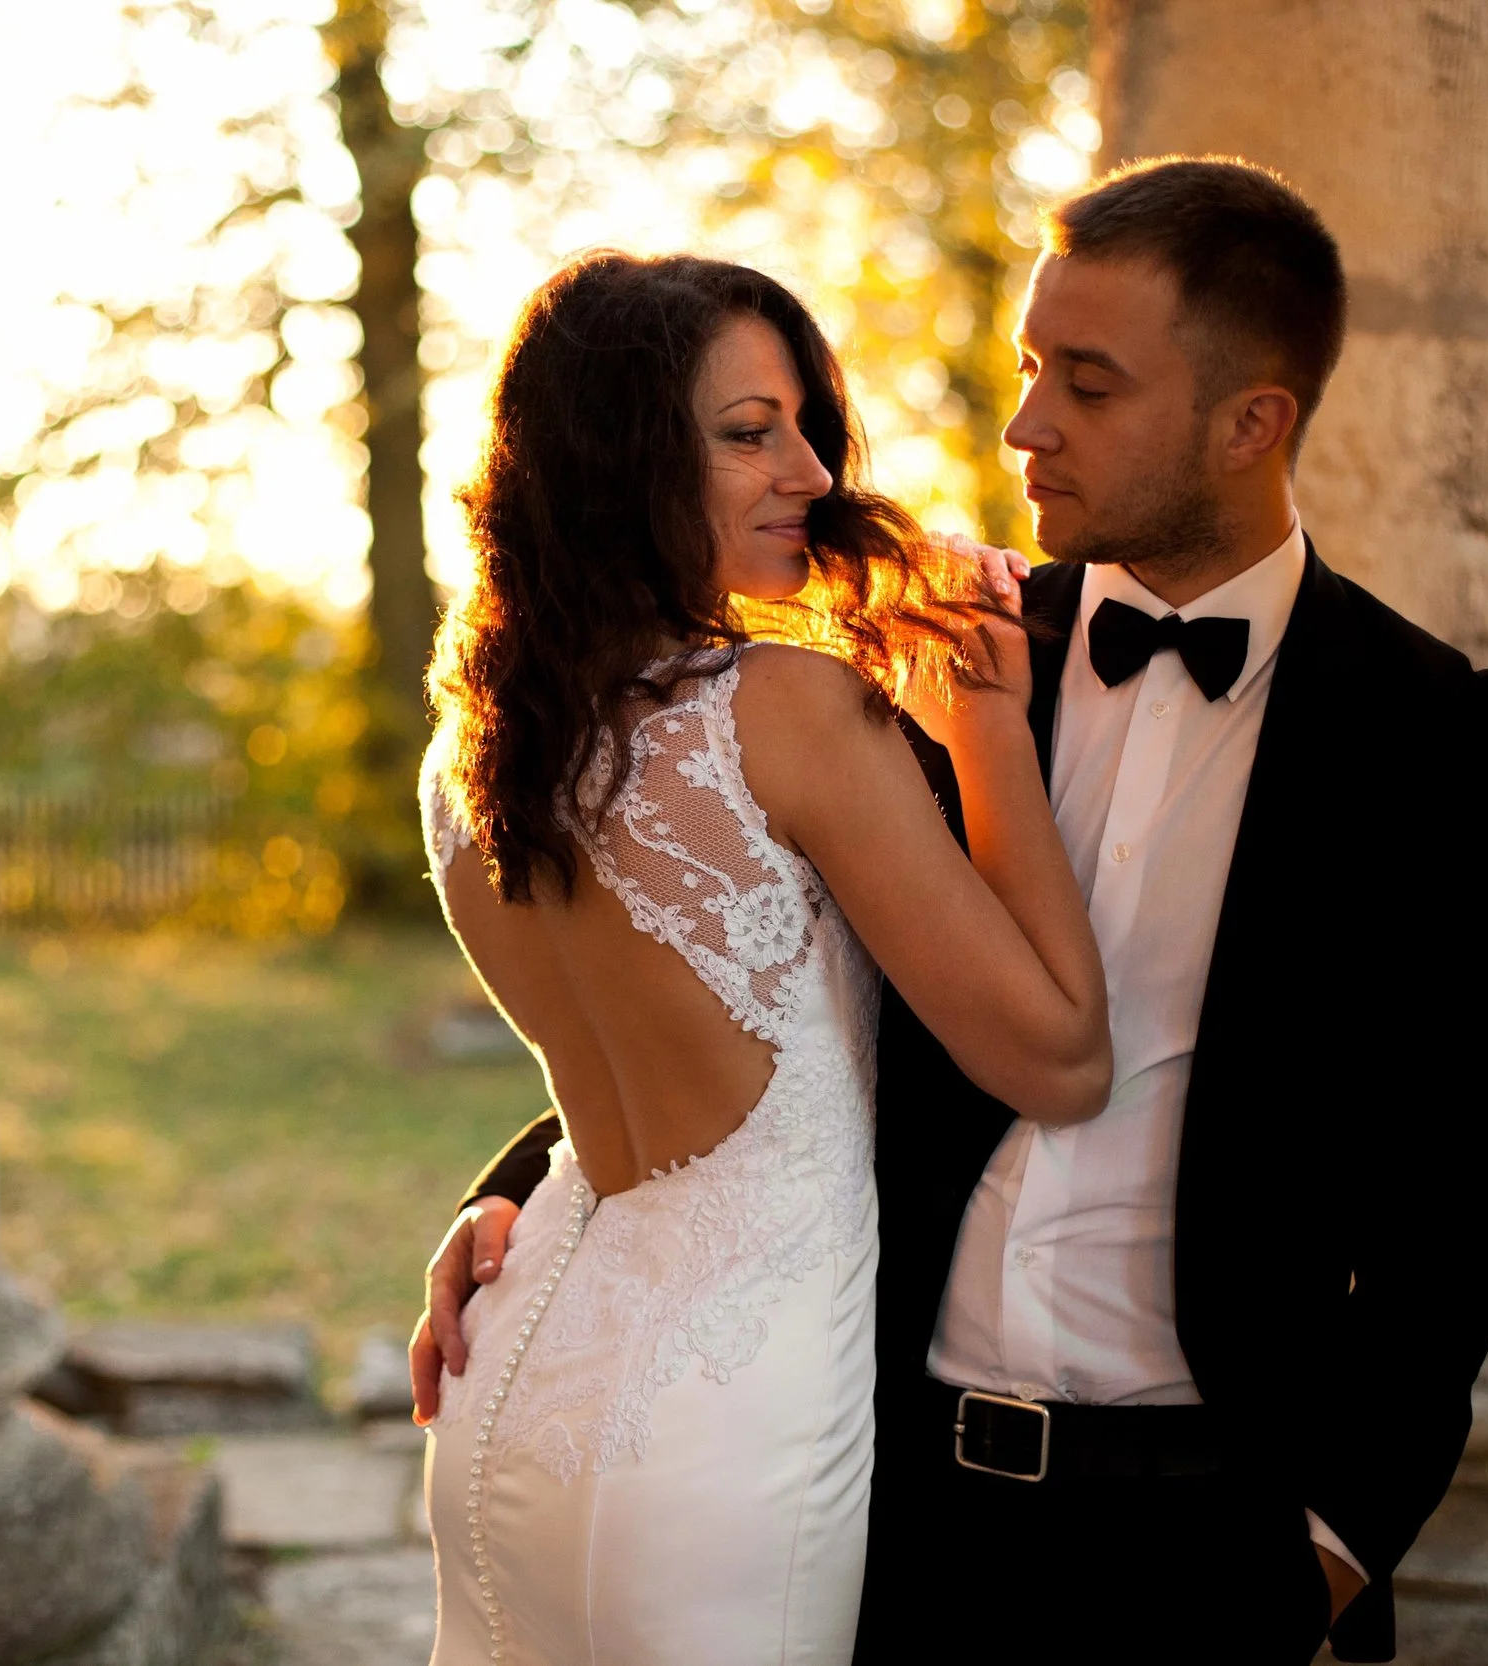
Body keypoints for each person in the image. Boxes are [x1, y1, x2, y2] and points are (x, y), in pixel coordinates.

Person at [418, 157, 1488, 1664]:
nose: (1024, 425)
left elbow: (1445, 1200)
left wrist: (1328, 1547)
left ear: (1252, 420)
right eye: (1026, 366)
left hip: (1208, 1534)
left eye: (1091, 383)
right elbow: (739, 960)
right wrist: (528, 1198)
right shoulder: (921, 662)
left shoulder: (1425, 731)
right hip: (890, 1498)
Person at [413, 249, 1111, 1665]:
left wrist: (493, 1198)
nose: (806, 466)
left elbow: (631, 1059)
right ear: (616, 461)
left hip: (515, 1380)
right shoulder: (783, 708)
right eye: (747, 432)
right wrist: (981, 723)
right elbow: (1059, 1056)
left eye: (803, 424)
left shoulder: (473, 752)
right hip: (716, 1420)